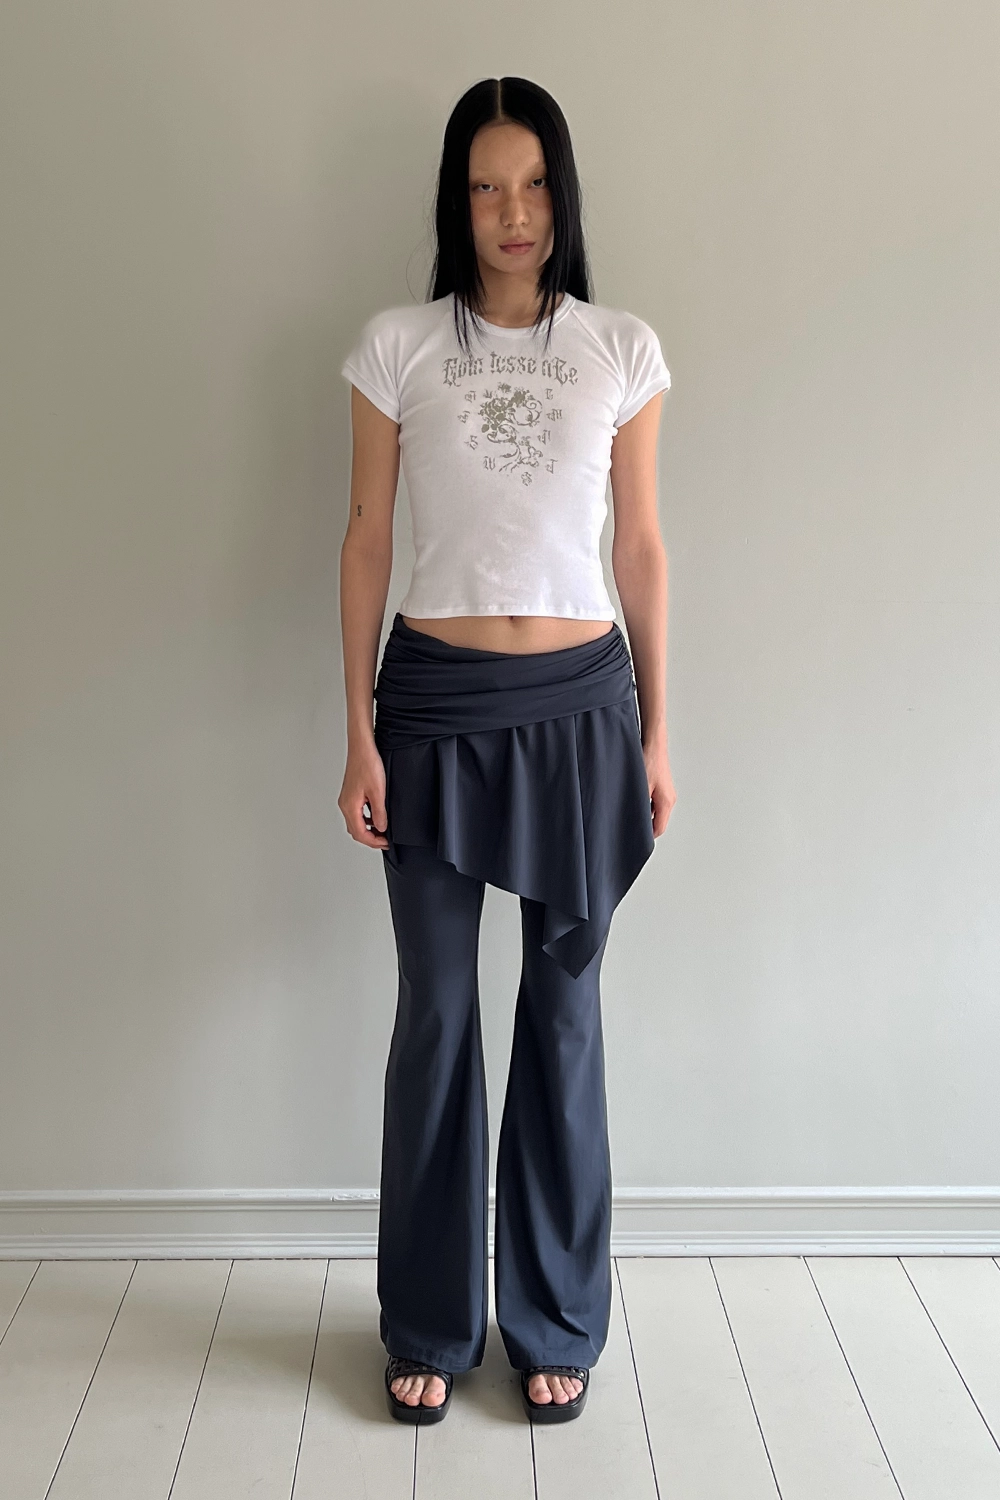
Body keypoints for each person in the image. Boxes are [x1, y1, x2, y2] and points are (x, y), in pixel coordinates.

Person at [337, 75, 676, 1427]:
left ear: (561, 194)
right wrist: (355, 731)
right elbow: (367, 539)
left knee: (564, 1017)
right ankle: (428, 1318)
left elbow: (640, 547)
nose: (512, 212)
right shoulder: (395, 347)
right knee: (436, 1016)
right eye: (486, 187)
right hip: (430, 712)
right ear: (456, 202)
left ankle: (555, 1319)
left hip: (583, 712)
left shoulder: (622, 349)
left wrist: (659, 732)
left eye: (532, 184)